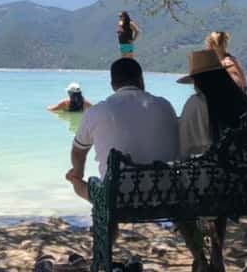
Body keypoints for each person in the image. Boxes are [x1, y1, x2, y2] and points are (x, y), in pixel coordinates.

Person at [175, 49, 247, 270]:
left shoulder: (196, 104)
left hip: (214, 186)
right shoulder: (243, 103)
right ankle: (217, 252)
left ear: (197, 81)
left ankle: (200, 257)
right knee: (218, 177)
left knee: (180, 192)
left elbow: (184, 150)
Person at [65, 58, 178, 200]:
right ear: (141, 80)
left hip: (118, 199)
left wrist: (78, 173)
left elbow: (77, 152)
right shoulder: (165, 105)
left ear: (113, 85)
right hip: (165, 195)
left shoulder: (97, 111)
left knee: (76, 181)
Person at [205, 31, 247, 97]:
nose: (207, 48)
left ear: (212, 46)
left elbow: (238, 84)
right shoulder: (231, 60)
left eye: (209, 45)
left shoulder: (227, 63)